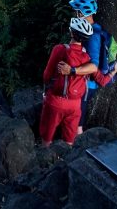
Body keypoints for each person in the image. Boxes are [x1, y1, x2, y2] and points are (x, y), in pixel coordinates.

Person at [59, 0, 117, 134]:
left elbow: (93, 66)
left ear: (81, 13)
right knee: (74, 119)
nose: (75, 15)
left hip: (86, 85)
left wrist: (71, 70)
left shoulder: (92, 36)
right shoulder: (92, 29)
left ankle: (77, 145)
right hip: (84, 83)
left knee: (77, 123)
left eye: (76, 12)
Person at [39, 16, 94, 147]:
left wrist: (46, 92)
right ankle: (66, 158)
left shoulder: (60, 49)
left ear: (71, 32)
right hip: (75, 105)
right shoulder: (86, 56)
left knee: (47, 137)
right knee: (69, 141)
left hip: (56, 101)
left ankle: (44, 157)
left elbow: (46, 75)